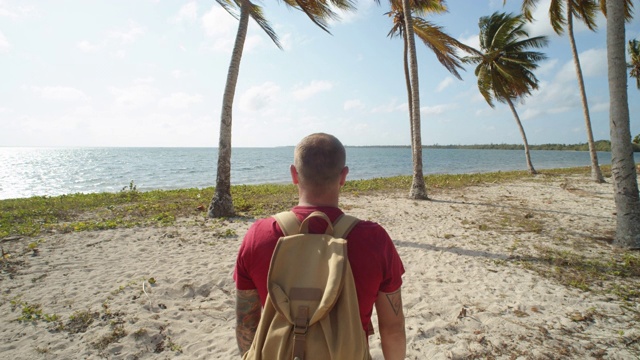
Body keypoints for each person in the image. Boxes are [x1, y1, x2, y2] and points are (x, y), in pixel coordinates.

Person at [233, 133, 406, 359]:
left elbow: (246, 324)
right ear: (343, 176)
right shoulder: (375, 240)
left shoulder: (259, 236)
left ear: (294, 174)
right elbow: (392, 329)